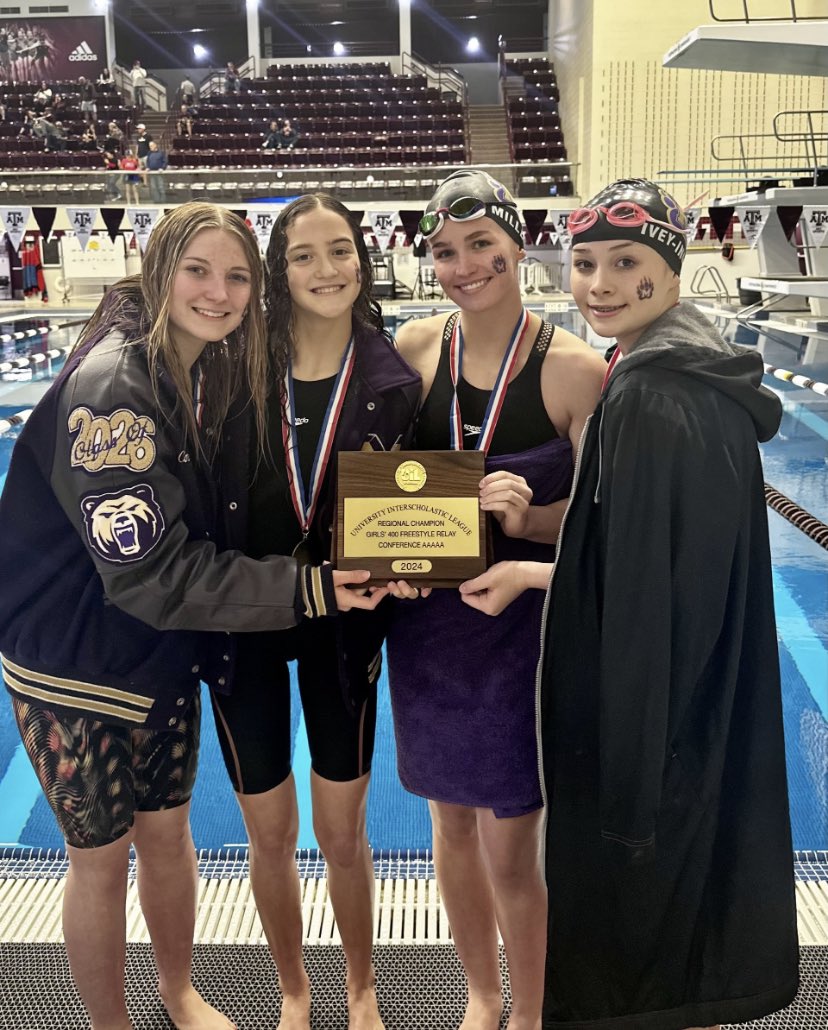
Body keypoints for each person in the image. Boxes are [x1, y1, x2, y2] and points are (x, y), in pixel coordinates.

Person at [0, 202, 385, 1030]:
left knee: (169, 838)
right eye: (199, 271)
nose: (219, 292)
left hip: (159, 651)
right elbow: (156, 575)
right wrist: (312, 587)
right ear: (160, 268)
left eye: (237, 275)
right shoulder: (113, 393)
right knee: (100, 862)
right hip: (72, 660)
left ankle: (177, 992)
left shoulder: (200, 364)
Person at [459, 178, 800, 1030]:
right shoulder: (678, 375)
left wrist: (629, 800)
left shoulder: (650, 395)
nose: (599, 284)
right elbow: (649, 561)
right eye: (582, 264)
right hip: (695, 706)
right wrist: (539, 567)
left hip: (654, 730)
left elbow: (643, 600)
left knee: (638, 949)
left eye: (626, 262)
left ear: (673, 272)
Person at [385, 169, 606, 1030]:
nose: (463, 265)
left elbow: (601, 535)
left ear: (519, 248)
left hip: (518, 636)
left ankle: (532, 1012)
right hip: (429, 632)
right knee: (448, 832)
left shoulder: (574, 372)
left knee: (512, 851)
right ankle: (482, 995)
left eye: (482, 246)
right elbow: (381, 491)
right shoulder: (412, 350)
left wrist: (534, 514)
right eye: (444, 251)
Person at [209, 193, 420, 1030]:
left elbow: (420, 507)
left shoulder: (395, 382)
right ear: (279, 269)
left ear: (362, 261)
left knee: (342, 832)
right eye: (303, 255)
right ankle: (295, 989)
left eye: (340, 251)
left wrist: (423, 556)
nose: (325, 270)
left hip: (346, 631)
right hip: (245, 629)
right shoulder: (231, 369)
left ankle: (360, 985)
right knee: (267, 834)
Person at [145, 139, 167, 203]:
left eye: (151, 146)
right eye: (149, 146)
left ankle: (163, 201)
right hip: (152, 172)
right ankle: (156, 201)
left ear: (155, 145)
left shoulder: (161, 152)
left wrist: (162, 168)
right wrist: (148, 167)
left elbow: (165, 161)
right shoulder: (149, 153)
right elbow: (148, 161)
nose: (150, 147)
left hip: (159, 172)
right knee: (154, 187)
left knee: (161, 186)